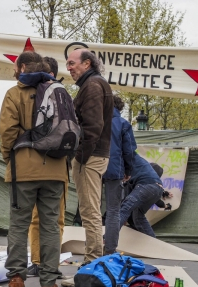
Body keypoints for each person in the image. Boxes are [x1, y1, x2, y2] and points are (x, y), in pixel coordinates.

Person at [0, 52, 67, 287]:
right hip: (57, 169)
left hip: (24, 168)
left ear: (23, 66)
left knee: (19, 223)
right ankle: (49, 279)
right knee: (50, 224)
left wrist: (10, 158)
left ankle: (17, 277)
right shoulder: (59, 91)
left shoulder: (14, 94)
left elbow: (7, 131)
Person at [66, 48, 113, 263]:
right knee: (89, 210)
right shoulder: (93, 84)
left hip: (90, 156)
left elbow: (92, 127)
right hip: (94, 155)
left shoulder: (92, 85)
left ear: (87, 64)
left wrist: (81, 157)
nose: (69, 67)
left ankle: (92, 262)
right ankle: (92, 260)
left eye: (72, 63)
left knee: (90, 211)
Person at [27, 56, 69, 277]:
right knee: (55, 220)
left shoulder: (27, 94)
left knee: (36, 219)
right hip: (58, 166)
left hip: (33, 165)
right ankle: (50, 265)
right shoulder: (62, 93)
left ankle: (37, 261)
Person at [102, 95, 137, 255]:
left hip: (92, 168)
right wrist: (128, 171)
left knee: (91, 211)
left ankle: (92, 248)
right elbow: (129, 151)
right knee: (113, 211)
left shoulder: (94, 121)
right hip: (114, 170)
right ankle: (109, 250)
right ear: (120, 108)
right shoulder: (123, 124)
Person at [119, 153, 165, 238]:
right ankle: (153, 243)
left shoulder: (129, 165)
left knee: (125, 208)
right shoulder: (147, 172)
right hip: (157, 189)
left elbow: (126, 200)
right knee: (138, 217)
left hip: (145, 187)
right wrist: (163, 204)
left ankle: (107, 239)